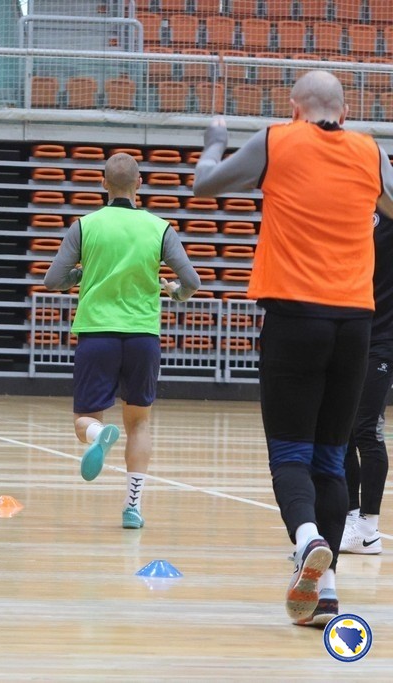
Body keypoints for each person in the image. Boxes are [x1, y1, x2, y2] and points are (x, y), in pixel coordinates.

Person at [192, 70, 393, 627]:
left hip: (295, 318)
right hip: (355, 324)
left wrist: (213, 141)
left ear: (295, 108)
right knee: (331, 459)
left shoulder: (276, 140)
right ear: (344, 113)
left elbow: (205, 186)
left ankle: (308, 540)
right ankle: (326, 594)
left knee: (289, 456)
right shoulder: (369, 151)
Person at [44, 152, 200, 530]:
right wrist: (176, 293)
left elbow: (53, 280)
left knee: (84, 421)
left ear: (103, 183)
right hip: (142, 336)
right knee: (139, 424)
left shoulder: (85, 226)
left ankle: (99, 435)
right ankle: (132, 507)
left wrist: (80, 275)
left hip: (97, 333)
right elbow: (191, 282)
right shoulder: (159, 228)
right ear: (138, 185)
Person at [341, 209, 393, 555]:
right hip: (351, 334)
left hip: (382, 340)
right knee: (341, 429)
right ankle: (349, 519)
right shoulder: (353, 209)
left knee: (366, 428)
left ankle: (369, 528)